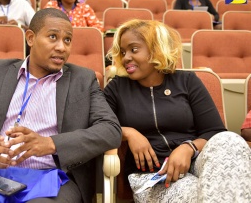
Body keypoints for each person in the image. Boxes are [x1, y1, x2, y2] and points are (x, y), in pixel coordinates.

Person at [0, 8, 122, 202]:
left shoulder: (83, 80)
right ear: (31, 38)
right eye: (53, 37)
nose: (62, 47)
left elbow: (111, 130)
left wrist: (51, 144)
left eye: (67, 40)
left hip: (53, 180)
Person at [103, 19, 251, 202]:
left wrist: (188, 148)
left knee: (231, 141)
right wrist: (129, 133)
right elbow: (99, 126)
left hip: (197, 162)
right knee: (202, 192)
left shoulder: (187, 81)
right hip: (153, 175)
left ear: (156, 49)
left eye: (134, 50)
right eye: (123, 52)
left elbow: (215, 132)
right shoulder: (117, 88)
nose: (126, 58)